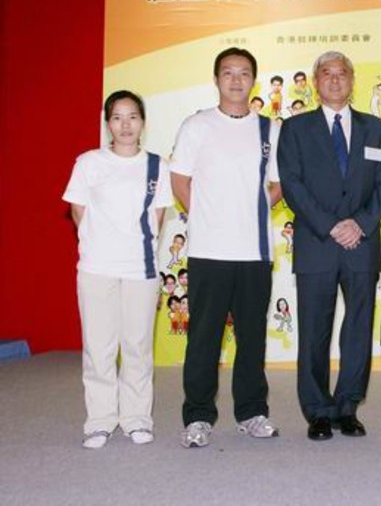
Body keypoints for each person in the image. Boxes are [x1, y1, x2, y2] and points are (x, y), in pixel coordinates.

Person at [277, 51, 381, 441]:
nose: (335, 79)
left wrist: (358, 224)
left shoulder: (377, 129)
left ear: (353, 79)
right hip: (316, 243)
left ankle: (347, 407)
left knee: (358, 328)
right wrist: (330, 226)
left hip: (362, 243)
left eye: (342, 73)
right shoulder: (295, 129)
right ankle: (318, 411)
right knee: (314, 330)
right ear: (315, 81)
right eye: (326, 73)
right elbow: (292, 186)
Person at [171, 47, 282, 448]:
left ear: (253, 79)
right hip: (208, 250)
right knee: (204, 337)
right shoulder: (197, 125)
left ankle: (252, 411)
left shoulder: (271, 130)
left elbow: (277, 184)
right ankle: (198, 416)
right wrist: (207, 214)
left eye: (244, 73)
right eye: (228, 73)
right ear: (216, 79)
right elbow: (180, 179)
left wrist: (247, 209)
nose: (236, 80)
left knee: (252, 337)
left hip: (254, 251)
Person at [63, 89, 174, 449]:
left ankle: (137, 417)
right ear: (107, 123)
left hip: (140, 269)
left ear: (143, 122)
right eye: (117, 117)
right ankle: (99, 420)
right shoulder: (89, 162)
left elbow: (157, 219)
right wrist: (100, 244)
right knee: (99, 348)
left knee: (138, 346)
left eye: (133, 117)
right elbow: (78, 211)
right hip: (96, 268)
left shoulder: (158, 165)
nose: (125, 125)